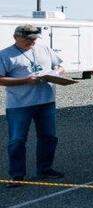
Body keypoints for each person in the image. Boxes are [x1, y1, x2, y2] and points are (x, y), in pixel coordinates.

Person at [1, 25, 65, 187]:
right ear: (16, 37)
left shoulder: (44, 49)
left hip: (46, 102)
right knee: (17, 140)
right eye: (28, 39)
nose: (32, 42)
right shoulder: (5, 55)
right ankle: (17, 176)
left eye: (34, 38)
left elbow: (59, 65)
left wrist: (57, 72)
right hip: (19, 105)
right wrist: (26, 80)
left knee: (48, 137)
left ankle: (45, 169)